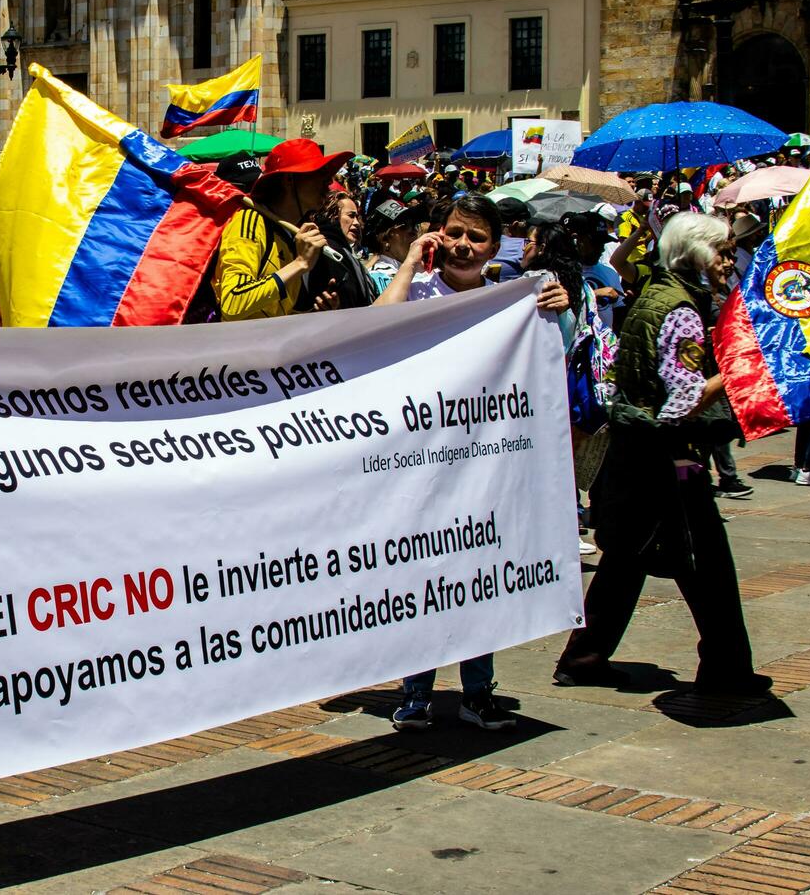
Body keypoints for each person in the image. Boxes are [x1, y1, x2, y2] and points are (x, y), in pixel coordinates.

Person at [555, 213, 772, 694]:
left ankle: (584, 656)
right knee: (707, 564)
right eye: (721, 249)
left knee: (628, 559)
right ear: (695, 253)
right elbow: (684, 401)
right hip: (669, 456)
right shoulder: (679, 310)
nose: (727, 260)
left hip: (641, 454)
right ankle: (726, 667)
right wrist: (739, 369)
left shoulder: (657, 295)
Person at [377, 194, 570, 731]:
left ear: (494, 246)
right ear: (438, 233)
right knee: (421, 579)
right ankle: (415, 690)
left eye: (476, 237)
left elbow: (551, 356)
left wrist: (554, 305)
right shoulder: (415, 289)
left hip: (484, 463)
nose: (464, 246)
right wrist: (412, 262)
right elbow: (371, 329)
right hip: (418, 460)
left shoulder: (511, 300)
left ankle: (477, 692)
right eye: (454, 233)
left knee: (477, 576)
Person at [215, 139, 351, 320]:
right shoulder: (250, 221)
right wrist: (300, 263)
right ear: (289, 180)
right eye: (319, 173)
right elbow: (233, 302)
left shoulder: (288, 235)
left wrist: (315, 315)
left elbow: (272, 315)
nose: (328, 182)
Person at [301, 190, 378, 310]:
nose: (357, 223)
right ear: (332, 216)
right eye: (351, 216)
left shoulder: (344, 253)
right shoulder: (325, 251)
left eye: (357, 217)